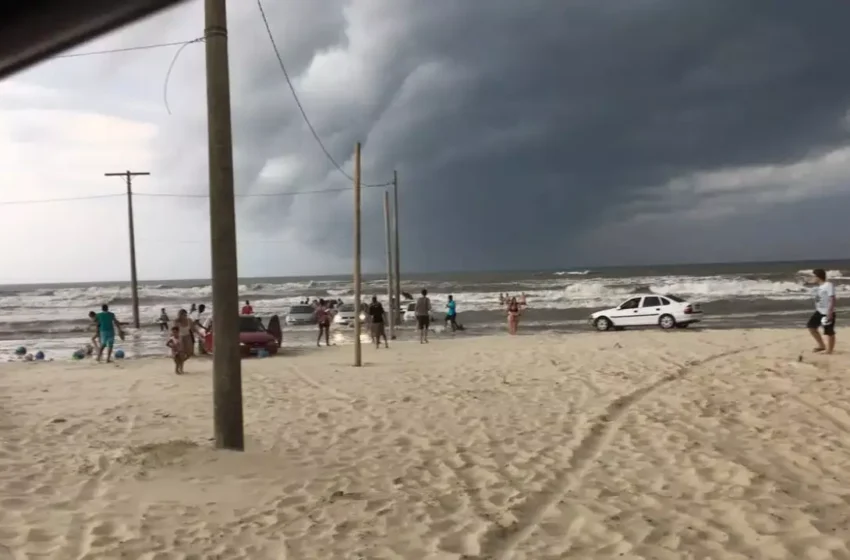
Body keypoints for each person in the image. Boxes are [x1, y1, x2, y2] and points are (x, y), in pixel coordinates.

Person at [808, 268, 836, 354]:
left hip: (827, 312)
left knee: (829, 332)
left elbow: (832, 298)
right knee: (811, 326)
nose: (812, 278)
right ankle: (821, 345)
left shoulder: (828, 285)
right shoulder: (820, 286)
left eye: (813, 276)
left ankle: (829, 350)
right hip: (819, 311)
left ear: (818, 277)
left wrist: (830, 312)